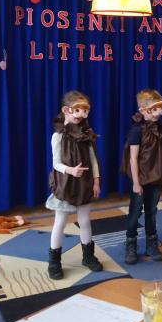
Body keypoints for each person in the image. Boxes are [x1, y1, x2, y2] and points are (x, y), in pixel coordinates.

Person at [46, 91, 103, 280]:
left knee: (85, 221)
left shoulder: (86, 134)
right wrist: (70, 170)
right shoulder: (58, 136)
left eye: (85, 111)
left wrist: (96, 180)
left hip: (84, 184)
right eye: (77, 110)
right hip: (65, 185)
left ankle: (88, 257)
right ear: (66, 110)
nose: (81, 114)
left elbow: (93, 160)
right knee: (60, 223)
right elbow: (56, 163)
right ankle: (54, 262)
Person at [121, 89, 162, 265]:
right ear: (143, 110)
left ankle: (151, 243)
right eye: (154, 109)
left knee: (152, 211)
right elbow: (133, 158)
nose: (159, 113)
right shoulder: (137, 131)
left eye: (161, 108)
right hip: (141, 179)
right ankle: (131, 243)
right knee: (135, 212)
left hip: (155, 178)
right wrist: (136, 182)